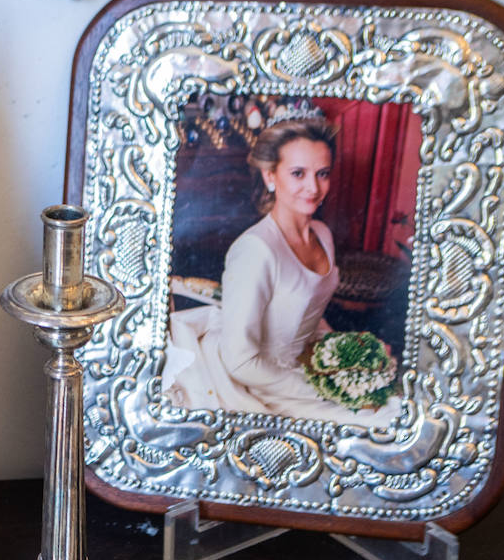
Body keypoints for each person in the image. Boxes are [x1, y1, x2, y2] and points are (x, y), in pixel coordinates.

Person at [164, 105, 397, 427]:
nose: (313, 188)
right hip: (259, 381)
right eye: (298, 173)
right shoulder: (256, 250)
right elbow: (241, 361)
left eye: (323, 173)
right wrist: (321, 390)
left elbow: (309, 316)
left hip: (305, 365)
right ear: (270, 175)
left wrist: (347, 356)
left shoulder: (322, 234)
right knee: (384, 421)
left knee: (395, 402)